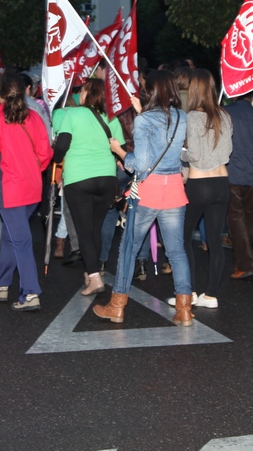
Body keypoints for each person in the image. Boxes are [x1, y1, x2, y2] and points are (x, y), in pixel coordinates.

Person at [94, 70, 192, 325]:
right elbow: (163, 138)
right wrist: (141, 114)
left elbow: (142, 163)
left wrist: (119, 151)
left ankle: (117, 306)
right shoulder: (181, 117)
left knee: (129, 248)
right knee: (177, 251)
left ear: (153, 91)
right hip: (173, 189)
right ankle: (184, 310)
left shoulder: (145, 120)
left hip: (149, 191)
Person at [0, 73, 53, 311]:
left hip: (9, 189)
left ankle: (31, 292)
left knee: (20, 240)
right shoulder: (33, 117)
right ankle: (3, 283)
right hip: (32, 187)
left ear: (0, 93)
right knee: (11, 236)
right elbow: (45, 154)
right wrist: (32, 170)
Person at [51, 77, 123, 297]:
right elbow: (118, 147)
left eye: (82, 90)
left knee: (83, 230)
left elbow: (62, 144)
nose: (79, 93)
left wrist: (56, 157)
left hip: (79, 178)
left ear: (88, 93)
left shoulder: (72, 114)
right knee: (95, 227)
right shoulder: (111, 118)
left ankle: (93, 277)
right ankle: (93, 269)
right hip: (107, 178)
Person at [176, 68, 232, 308]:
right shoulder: (225, 116)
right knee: (215, 241)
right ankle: (211, 295)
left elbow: (195, 155)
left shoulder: (192, 117)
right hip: (221, 184)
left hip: (199, 184)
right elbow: (227, 152)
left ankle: (191, 292)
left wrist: (179, 151)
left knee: (184, 238)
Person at [224, 82, 253, 281]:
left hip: (231, 171)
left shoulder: (225, 113)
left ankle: (244, 263)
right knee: (248, 218)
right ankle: (246, 259)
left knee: (235, 218)